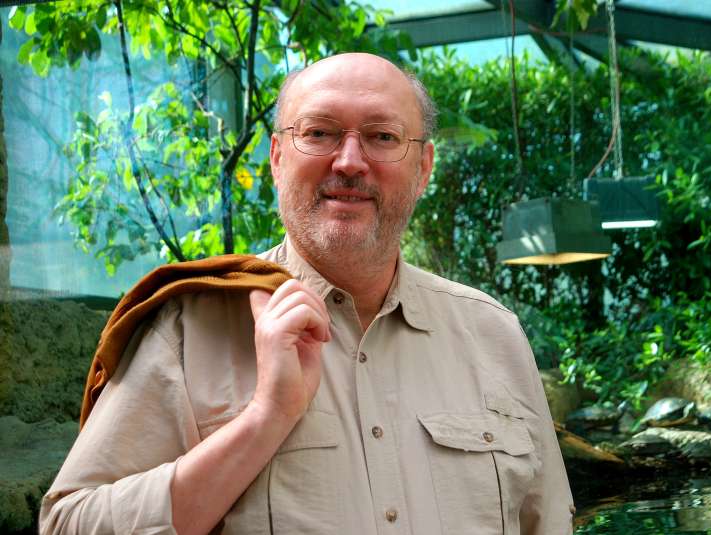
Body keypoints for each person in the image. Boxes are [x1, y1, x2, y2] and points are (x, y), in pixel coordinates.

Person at [40, 52, 574, 534]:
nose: (348, 162)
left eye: (383, 137)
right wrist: (264, 419)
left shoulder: (492, 333)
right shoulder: (189, 324)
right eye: (319, 133)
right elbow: (69, 524)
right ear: (276, 158)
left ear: (424, 168)